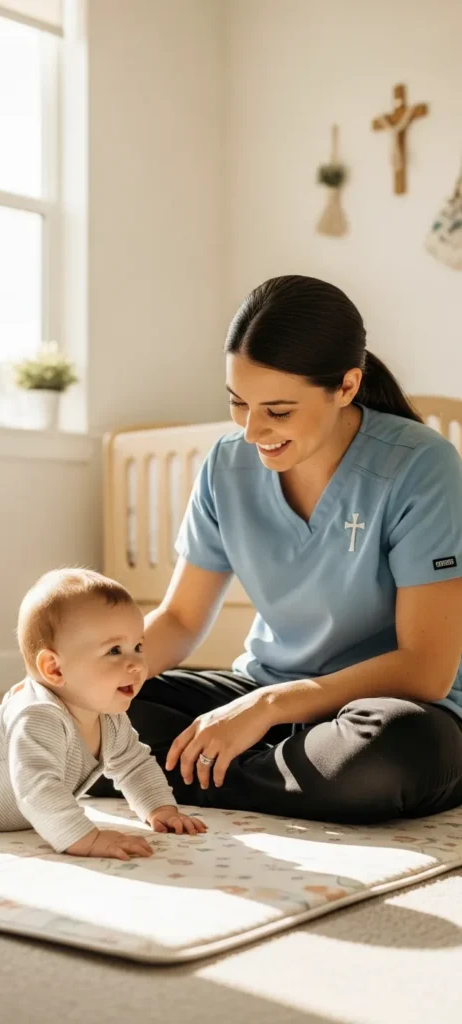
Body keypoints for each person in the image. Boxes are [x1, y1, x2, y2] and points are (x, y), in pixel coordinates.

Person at [95, 274, 462, 824]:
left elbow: (426, 669)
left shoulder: (421, 466)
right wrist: (81, 681)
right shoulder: (225, 465)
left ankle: (180, 774)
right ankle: (274, 776)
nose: (252, 430)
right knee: (100, 717)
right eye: (238, 403)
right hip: (266, 687)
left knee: (390, 756)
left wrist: (267, 708)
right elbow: (179, 617)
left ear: (345, 386)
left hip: (386, 709)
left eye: (278, 411)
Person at [0, 569, 206, 858]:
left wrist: (160, 809)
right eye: (115, 650)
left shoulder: (109, 718)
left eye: (138, 646)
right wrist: (86, 837)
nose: (137, 664)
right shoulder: (39, 717)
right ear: (55, 668)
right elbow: (37, 789)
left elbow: (135, 765)